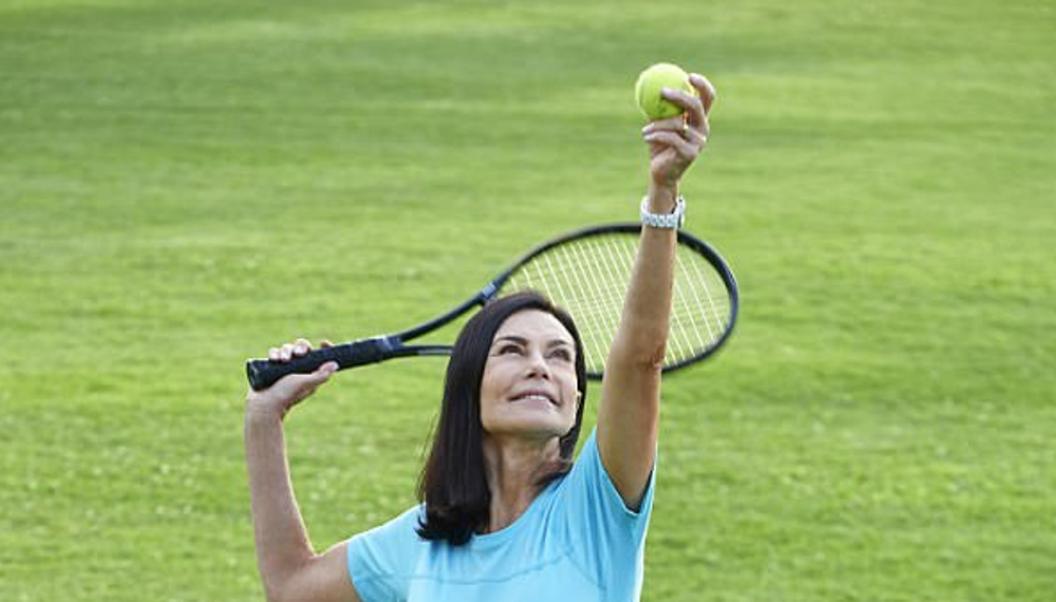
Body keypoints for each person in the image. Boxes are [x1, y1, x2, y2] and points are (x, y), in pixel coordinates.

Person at [244, 72, 715, 602]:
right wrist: (264, 421)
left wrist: (663, 193)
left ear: (577, 396)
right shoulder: (424, 540)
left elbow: (639, 361)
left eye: (561, 357)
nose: (541, 365)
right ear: (471, 384)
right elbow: (290, 587)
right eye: (513, 350)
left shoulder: (596, 511)